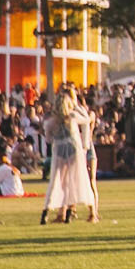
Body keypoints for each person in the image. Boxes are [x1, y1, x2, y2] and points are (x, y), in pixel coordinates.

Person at [42, 88, 98, 224]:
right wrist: (76, 106)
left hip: (59, 151)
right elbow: (86, 119)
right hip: (74, 150)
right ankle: (84, 212)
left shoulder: (51, 122)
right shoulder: (72, 117)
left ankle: (47, 211)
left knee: (58, 182)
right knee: (81, 179)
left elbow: (48, 139)